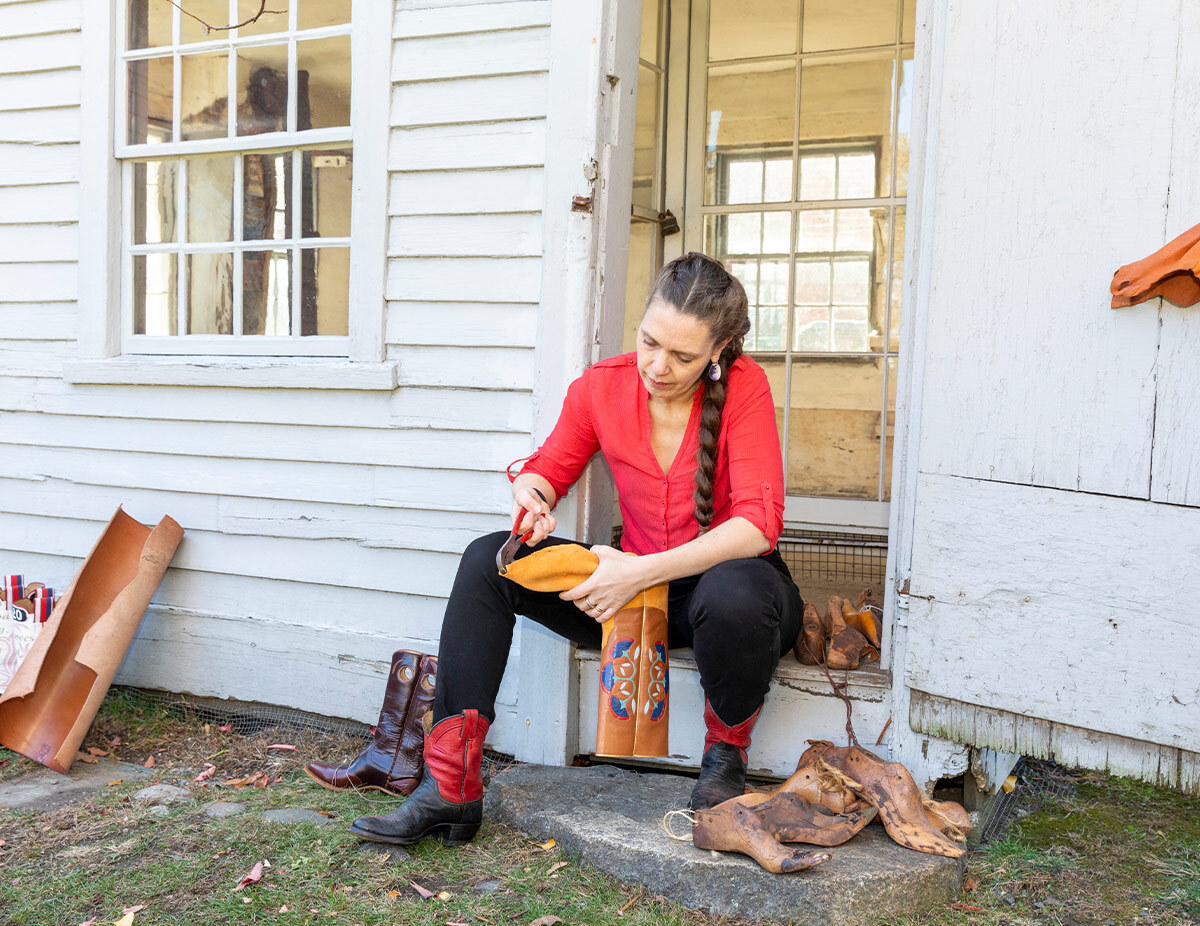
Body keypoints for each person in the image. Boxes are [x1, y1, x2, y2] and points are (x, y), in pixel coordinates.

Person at [349, 252, 805, 848]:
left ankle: (723, 767)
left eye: (684, 356)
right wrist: (533, 498)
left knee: (734, 589)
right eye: (649, 342)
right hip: (633, 595)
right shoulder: (602, 387)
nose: (658, 366)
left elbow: (756, 527)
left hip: (732, 593)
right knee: (491, 560)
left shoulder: (747, 387)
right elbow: (546, 469)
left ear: (718, 351)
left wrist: (637, 573)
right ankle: (450, 785)